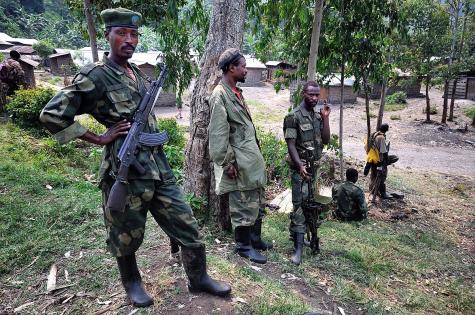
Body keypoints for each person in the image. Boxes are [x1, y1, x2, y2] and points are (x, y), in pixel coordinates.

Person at [39, 8, 230, 308]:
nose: (129, 40)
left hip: (157, 165)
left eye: (134, 35)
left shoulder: (138, 73)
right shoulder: (94, 76)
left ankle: (198, 277)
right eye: (122, 33)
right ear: (108, 36)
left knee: (186, 222)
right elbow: (51, 115)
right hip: (125, 169)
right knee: (124, 233)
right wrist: (99, 138)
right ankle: (132, 284)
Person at [209, 48, 272, 265]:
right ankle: (243, 246)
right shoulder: (220, 95)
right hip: (238, 162)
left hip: (250, 160)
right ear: (231, 68)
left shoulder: (236, 92)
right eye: (243, 66)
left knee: (255, 200)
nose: (246, 70)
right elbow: (218, 133)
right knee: (243, 203)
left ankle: (254, 239)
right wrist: (227, 162)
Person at [283, 81, 330, 265]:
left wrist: (325, 118)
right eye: (311, 94)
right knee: (300, 205)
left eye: (317, 95)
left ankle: (306, 239)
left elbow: (325, 140)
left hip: (314, 169)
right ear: (303, 94)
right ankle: (298, 249)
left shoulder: (317, 117)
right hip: (300, 169)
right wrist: (299, 166)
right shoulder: (293, 116)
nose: (315, 98)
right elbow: (291, 145)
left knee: (311, 205)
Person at [367, 123, 398, 200]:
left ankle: (375, 191)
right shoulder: (381, 138)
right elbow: (383, 151)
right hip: (379, 161)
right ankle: (383, 193)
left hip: (372, 159)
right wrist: (386, 161)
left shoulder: (374, 134)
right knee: (381, 176)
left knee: (375, 175)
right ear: (387, 130)